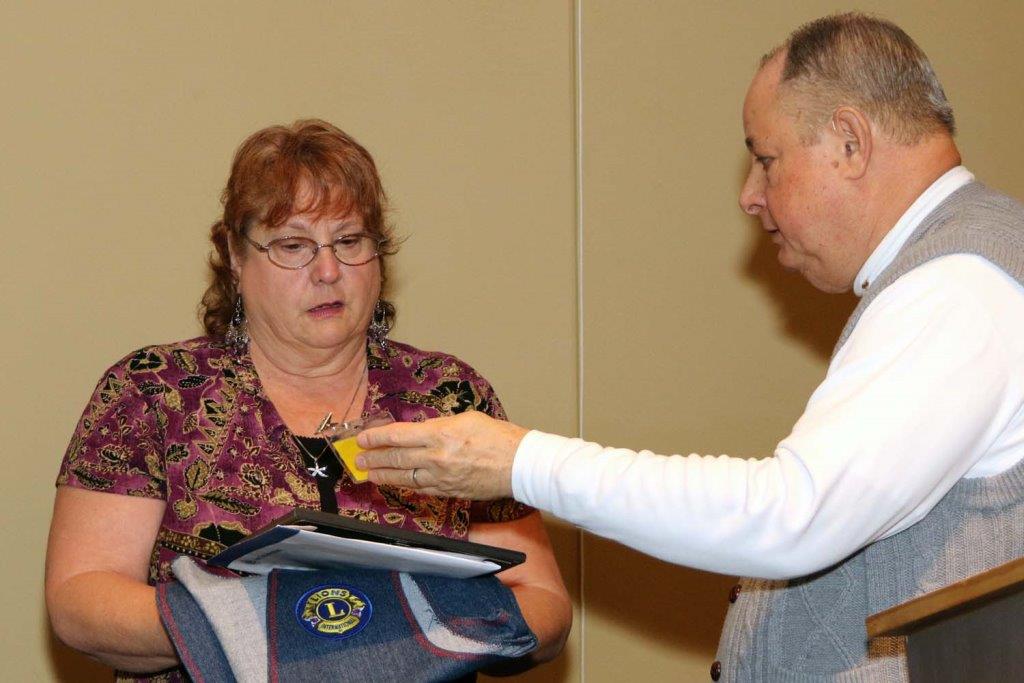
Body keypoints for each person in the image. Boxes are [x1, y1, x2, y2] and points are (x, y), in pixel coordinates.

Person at [357, 13, 1024, 680]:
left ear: (850, 143)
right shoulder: (957, 271)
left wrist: (522, 462)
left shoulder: (958, 286)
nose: (749, 196)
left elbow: (791, 515)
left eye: (766, 159)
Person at [45, 119, 571, 681]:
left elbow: (542, 603)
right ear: (235, 256)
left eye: (350, 241)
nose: (328, 271)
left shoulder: (449, 396)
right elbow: (80, 601)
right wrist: (257, 625)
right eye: (293, 246)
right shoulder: (154, 392)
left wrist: (413, 626)